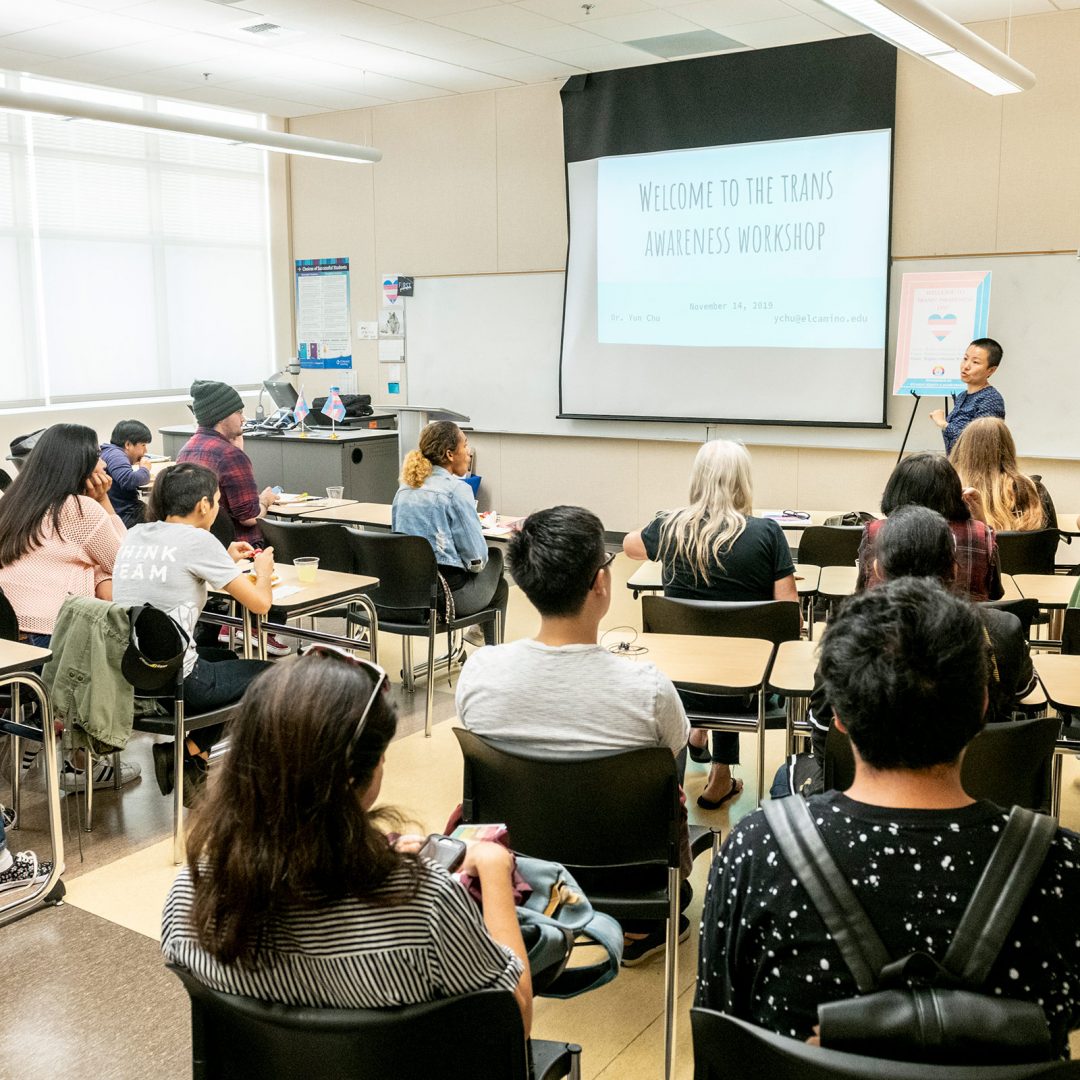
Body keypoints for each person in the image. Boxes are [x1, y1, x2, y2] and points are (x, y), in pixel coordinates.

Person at [697, 577, 1080, 1056]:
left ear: (837, 714)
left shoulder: (755, 851)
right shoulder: (1062, 868)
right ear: (983, 707)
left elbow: (720, 1035)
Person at [162, 650, 531, 1030]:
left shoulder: (190, 897)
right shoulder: (424, 904)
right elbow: (514, 1016)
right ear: (358, 778)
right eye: (382, 756)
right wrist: (492, 868)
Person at [457, 504, 691, 965]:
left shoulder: (480, 672)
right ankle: (646, 921)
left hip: (518, 862)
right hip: (630, 869)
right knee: (667, 760)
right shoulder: (647, 688)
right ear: (601, 584)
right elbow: (677, 760)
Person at [623, 439, 798, 810]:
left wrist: (667, 521)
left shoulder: (671, 528)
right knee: (733, 653)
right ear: (742, 482)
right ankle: (720, 772)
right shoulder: (768, 534)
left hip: (678, 681)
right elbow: (789, 620)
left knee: (712, 650)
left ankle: (697, 736)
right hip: (749, 689)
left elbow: (628, 546)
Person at [807, 506, 1035, 772]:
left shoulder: (849, 636)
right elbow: (1025, 692)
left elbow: (824, 731)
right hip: (978, 784)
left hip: (864, 785)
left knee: (786, 775)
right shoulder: (1004, 628)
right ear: (953, 568)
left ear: (878, 568)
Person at [112, 463, 275, 803]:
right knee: (277, 675)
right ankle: (191, 751)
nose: (217, 508)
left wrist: (224, 560)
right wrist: (262, 571)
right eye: (216, 501)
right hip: (181, 681)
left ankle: (190, 758)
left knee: (228, 657)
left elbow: (172, 573)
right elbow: (259, 604)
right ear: (203, 505)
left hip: (136, 674)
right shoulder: (199, 540)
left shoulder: (136, 534)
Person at [0, 423, 139, 790]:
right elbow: (126, 564)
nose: (104, 466)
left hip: (9, 646)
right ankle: (74, 760)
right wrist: (105, 503)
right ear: (78, 465)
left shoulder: (12, 502)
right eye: (96, 457)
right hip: (52, 647)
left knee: (91, 584)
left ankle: (38, 733)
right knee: (112, 634)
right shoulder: (80, 511)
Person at [391, 421, 508, 646]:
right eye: (465, 446)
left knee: (495, 584)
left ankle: (479, 639)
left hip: (406, 596)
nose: (469, 453)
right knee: (497, 566)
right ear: (449, 454)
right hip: (445, 600)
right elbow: (476, 560)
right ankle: (490, 651)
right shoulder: (456, 491)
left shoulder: (404, 489)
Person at [856, 452, 1001, 602]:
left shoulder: (875, 531)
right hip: (965, 622)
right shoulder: (980, 534)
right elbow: (995, 594)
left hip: (889, 621)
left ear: (896, 491)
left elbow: (862, 590)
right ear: (955, 491)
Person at [175, 379, 279, 547]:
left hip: (200, 545)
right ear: (221, 417)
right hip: (240, 548)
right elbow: (249, 518)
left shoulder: (186, 449)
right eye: (239, 412)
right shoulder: (229, 455)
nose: (243, 418)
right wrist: (265, 500)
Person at [949, 417, 1056, 532]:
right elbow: (1048, 540)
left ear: (963, 448)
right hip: (1018, 550)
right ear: (1008, 447)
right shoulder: (1027, 488)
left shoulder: (951, 489)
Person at [929, 337, 1006, 454]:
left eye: (975, 362)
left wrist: (943, 424)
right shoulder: (962, 396)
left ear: (991, 370)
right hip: (956, 466)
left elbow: (980, 442)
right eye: (965, 359)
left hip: (977, 470)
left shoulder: (991, 399)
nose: (966, 366)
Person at [100, 419, 153, 528]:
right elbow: (129, 480)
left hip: (117, 511)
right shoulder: (116, 455)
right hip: (124, 514)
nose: (145, 451)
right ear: (128, 444)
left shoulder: (109, 452)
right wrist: (144, 469)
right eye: (143, 445)